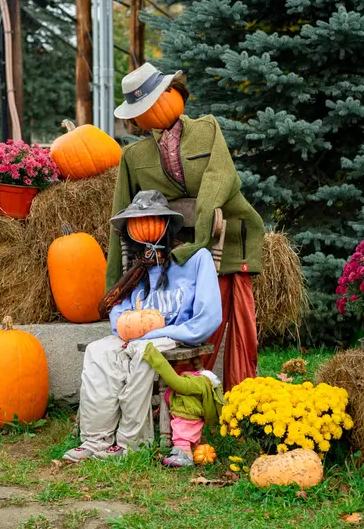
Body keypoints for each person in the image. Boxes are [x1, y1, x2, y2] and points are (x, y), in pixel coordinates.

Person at [108, 62, 265, 390]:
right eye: (143, 109)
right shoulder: (135, 156)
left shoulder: (207, 130)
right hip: (175, 254)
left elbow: (219, 179)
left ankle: (244, 398)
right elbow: (122, 218)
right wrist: (115, 287)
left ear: (171, 94)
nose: (152, 111)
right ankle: (187, 398)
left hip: (229, 235)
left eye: (157, 100)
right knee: (186, 314)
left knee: (239, 325)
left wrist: (203, 238)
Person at [65, 191, 222, 463]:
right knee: (97, 352)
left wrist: (155, 333)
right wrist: (125, 329)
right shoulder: (140, 269)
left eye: (150, 220)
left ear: (166, 224)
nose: (144, 228)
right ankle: (96, 440)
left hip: (174, 334)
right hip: (137, 335)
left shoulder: (197, 259)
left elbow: (208, 318)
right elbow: (119, 312)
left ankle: (131, 442)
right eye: (137, 223)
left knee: (143, 353)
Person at [141, 342, 224, 468]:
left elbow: (177, 383)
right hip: (188, 417)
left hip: (186, 419)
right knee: (185, 435)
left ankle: (184, 456)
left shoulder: (195, 383)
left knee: (182, 437)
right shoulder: (198, 385)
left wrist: (153, 355)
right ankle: (189, 451)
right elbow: (173, 393)